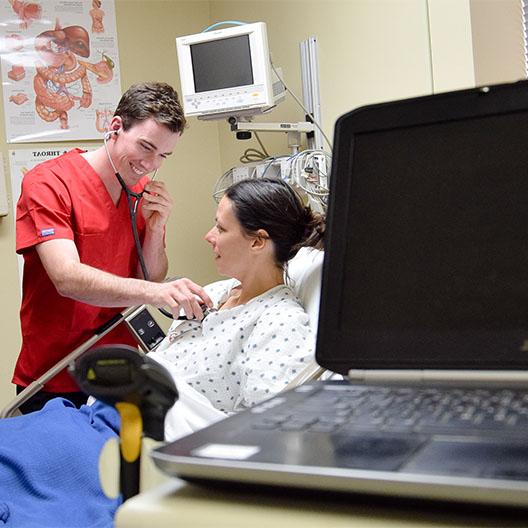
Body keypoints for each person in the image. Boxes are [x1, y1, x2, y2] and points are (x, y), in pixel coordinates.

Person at [13, 81, 211, 414]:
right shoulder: (49, 183)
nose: (152, 164)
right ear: (116, 127)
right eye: (146, 147)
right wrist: (156, 293)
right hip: (56, 372)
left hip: (119, 367)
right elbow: (67, 278)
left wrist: (157, 227)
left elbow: (149, 274)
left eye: (163, 155)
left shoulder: (141, 190)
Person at [149, 176, 325, 438]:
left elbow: (266, 426)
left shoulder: (279, 322)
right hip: (116, 416)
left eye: (220, 228)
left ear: (257, 242)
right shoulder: (213, 292)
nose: (208, 236)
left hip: (158, 435)